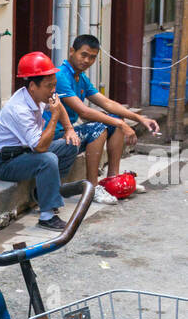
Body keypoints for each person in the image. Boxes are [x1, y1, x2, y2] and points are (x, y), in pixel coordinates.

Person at [47, 34, 160, 201]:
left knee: (115, 119)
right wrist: (120, 124)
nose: (87, 60)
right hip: (52, 137)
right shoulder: (61, 76)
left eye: (92, 57)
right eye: (83, 55)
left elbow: (107, 103)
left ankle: (112, 181)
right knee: (99, 128)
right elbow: (84, 111)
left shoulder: (81, 77)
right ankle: (92, 188)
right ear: (72, 51)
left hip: (67, 133)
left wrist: (140, 119)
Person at [0, 51, 81, 233]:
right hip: (7, 162)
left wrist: (69, 128)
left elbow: (59, 104)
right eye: (49, 86)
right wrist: (54, 117)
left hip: (25, 153)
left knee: (71, 144)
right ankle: (47, 216)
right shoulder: (19, 109)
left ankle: (45, 192)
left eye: (54, 85)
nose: (53, 90)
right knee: (48, 159)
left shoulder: (39, 96)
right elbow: (40, 147)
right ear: (33, 86)